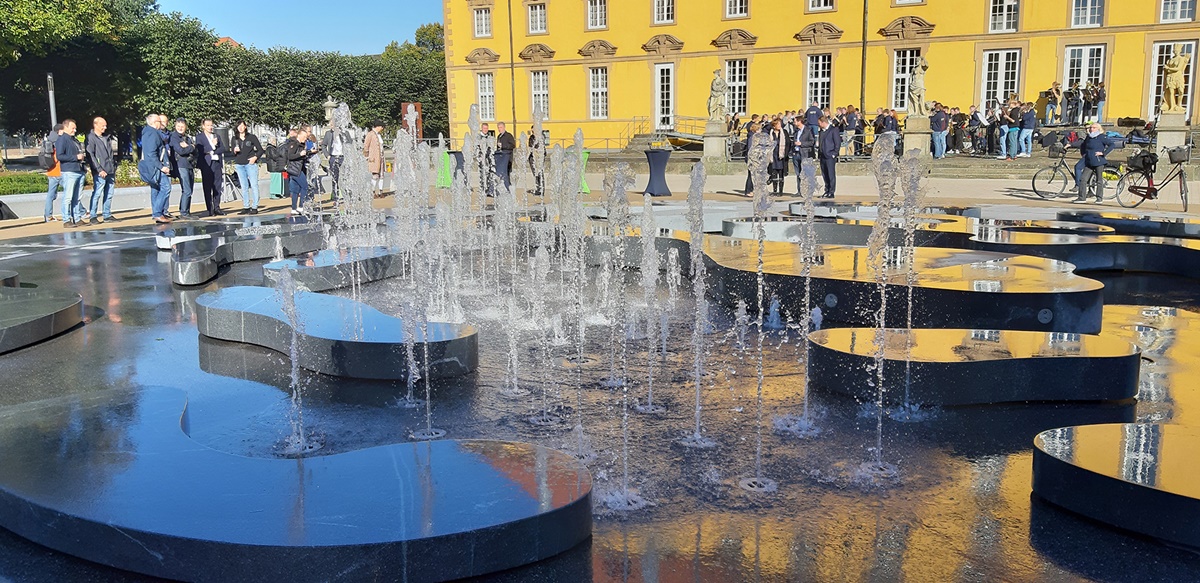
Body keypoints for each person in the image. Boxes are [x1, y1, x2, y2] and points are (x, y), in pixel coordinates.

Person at [137, 114, 172, 223]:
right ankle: (157, 213)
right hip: (156, 167)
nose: (161, 123)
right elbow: (151, 154)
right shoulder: (152, 133)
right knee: (166, 187)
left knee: (155, 189)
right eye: (159, 121)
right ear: (154, 122)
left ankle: (157, 213)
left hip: (152, 167)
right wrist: (162, 167)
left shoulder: (147, 132)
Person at [84, 116, 117, 224]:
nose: (105, 127)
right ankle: (93, 215)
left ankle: (107, 214)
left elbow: (110, 154)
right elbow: (91, 155)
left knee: (109, 193)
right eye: (103, 125)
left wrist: (113, 166)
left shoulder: (106, 138)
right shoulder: (91, 138)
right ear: (96, 125)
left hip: (110, 170)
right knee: (97, 193)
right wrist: (99, 169)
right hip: (100, 172)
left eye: (105, 125)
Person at [1072, 122, 1115, 204]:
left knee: (1099, 180)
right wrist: (1083, 154)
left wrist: (1103, 153)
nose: (1091, 129)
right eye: (1091, 127)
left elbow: (1112, 145)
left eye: (1094, 127)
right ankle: (1081, 198)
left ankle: (1099, 198)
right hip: (1088, 161)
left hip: (1099, 161)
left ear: (1098, 129)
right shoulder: (1088, 137)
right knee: (1083, 179)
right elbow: (1083, 145)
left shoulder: (1101, 137)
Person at [55, 119, 87, 228]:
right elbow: (60, 156)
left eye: (75, 128)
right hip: (69, 171)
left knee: (77, 197)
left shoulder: (74, 140)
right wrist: (75, 157)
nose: (75, 130)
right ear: (66, 127)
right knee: (68, 197)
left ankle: (77, 218)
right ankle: (66, 219)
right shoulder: (62, 140)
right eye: (72, 128)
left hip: (79, 170)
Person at [230, 121, 264, 215]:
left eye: (242, 126)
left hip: (250, 164)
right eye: (238, 126)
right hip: (239, 164)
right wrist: (234, 151)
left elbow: (260, 150)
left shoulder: (251, 137)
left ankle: (255, 206)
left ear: (245, 127)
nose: (240, 128)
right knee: (244, 186)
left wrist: (255, 157)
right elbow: (232, 153)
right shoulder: (234, 139)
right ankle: (246, 206)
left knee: (254, 185)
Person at [194, 119, 226, 216]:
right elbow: (200, 150)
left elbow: (222, 148)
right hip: (207, 164)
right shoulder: (199, 137)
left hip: (216, 163)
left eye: (211, 125)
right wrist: (212, 145)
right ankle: (210, 208)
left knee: (217, 186)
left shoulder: (216, 136)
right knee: (207, 186)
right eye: (208, 125)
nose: (210, 127)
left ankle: (217, 207)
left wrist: (213, 151)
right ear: (203, 126)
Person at [169, 119, 197, 218]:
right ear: (175, 126)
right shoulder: (174, 137)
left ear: (186, 127)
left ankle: (185, 210)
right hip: (181, 165)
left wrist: (189, 147)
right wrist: (191, 147)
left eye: (182, 126)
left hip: (189, 165)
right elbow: (180, 151)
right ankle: (184, 213)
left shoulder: (187, 138)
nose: (180, 128)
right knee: (187, 190)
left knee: (190, 190)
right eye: (178, 126)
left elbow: (195, 150)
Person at [285, 127, 314, 214]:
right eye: (304, 137)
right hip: (295, 170)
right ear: (300, 135)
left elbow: (302, 155)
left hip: (295, 169)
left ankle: (294, 209)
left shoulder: (300, 144)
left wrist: (309, 152)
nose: (306, 139)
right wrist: (299, 154)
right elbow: (290, 156)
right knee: (305, 186)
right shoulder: (294, 143)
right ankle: (301, 206)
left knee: (295, 190)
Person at [321, 123, 351, 201]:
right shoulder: (328, 133)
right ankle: (335, 195)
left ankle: (346, 194)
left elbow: (350, 144)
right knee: (335, 177)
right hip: (333, 157)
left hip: (342, 157)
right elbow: (323, 145)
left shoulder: (344, 132)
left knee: (345, 176)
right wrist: (327, 155)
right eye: (330, 125)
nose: (331, 126)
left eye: (333, 124)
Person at [43, 124, 64, 223]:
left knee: (50, 195)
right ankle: (81, 212)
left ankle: (48, 215)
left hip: (51, 171)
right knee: (71, 191)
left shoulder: (48, 141)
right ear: (60, 131)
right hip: (60, 171)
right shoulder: (58, 141)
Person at [790, 116, 815, 194]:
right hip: (796, 154)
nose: (794, 123)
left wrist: (802, 144)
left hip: (804, 154)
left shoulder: (808, 130)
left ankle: (806, 190)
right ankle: (799, 190)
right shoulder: (796, 131)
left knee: (805, 173)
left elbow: (812, 142)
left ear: (799, 122)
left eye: (795, 121)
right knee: (798, 173)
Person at [817, 116, 839, 198]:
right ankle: (827, 190)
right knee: (824, 174)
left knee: (831, 174)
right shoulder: (821, 131)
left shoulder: (833, 130)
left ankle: (831, 191)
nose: (818, 125)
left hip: (830, 156)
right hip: (822, 155)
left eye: (819, 123)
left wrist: (834, 154)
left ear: (823, 122)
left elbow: (837, 143)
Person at [767, 118, 789, 195]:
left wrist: (785, 154)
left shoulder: (784, 133)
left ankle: (781, 191)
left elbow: (788, 144)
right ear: (774, 126)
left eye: (780, 124)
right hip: (773, 156)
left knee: (781, 174)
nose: (780, 125)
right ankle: (775, 190)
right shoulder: (770, 133)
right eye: (778, 124)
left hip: (781, 156)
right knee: (774, 173)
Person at [364, 120, 384, 196]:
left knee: (381, 175)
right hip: (374, 158)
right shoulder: (370, 134)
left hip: (381, 157)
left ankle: (380, 191)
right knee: (375, 175)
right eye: (381, 127)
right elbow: (366, 146)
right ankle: (373, 191)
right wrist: (367, 156)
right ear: (378, 127)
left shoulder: (378, 135)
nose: (382, 129)